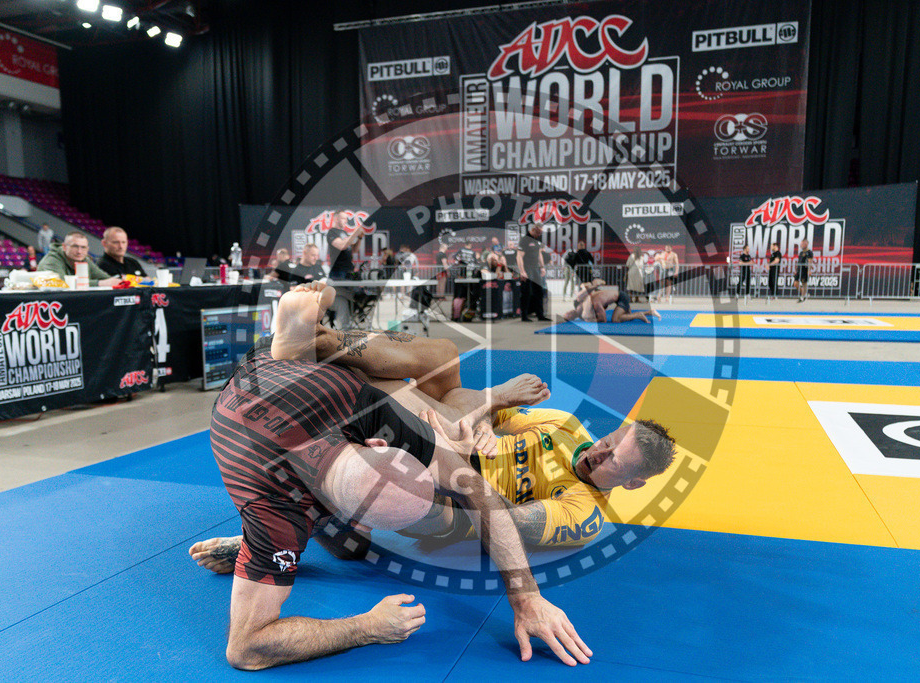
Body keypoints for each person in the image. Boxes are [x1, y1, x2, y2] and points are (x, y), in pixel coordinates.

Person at [198, 284, 590, 670]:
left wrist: (528, 600)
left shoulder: (363, 406)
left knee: (440, 365)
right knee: (352, 544)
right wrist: (365, 628)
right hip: (265, 385)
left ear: (378, 445)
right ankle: (310, 342)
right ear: (378, 445)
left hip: (297, 394)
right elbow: (245, 649)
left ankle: (313, 340)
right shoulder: (275, 510)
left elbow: (474, 488)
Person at [192, 300, 676, 557]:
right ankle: (321, 344)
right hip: (448, 433)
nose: (599, 454)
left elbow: (504, 519)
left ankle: (312, 351)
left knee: (361, 538)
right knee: (444, 360)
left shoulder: (585, 514)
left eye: (614, 461)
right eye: (610, 441)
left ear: (633, 483)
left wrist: (460, 458)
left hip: (451, 501)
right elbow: (468, 406)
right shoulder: (568, 428)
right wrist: (487, 416)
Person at [36, 231, 121, 287]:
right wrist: (99, 283)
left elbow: (105, 278)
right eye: (75, 246)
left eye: (83, 247)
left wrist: (121, 281)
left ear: (87, 249)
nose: (79, 251)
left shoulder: (84, 259)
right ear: (64, 247)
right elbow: (61, 284)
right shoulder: (52, 260)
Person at [563, 279, 661, 324]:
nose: (569, 312)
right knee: (625, 317)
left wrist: (594, 320)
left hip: (622, 297)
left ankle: (639, 315)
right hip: (620, 297)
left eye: (567, 312)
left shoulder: (584, 302)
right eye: (569, 315)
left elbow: (604, 319)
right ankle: (650, 312)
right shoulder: (588, 308)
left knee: (616, 319)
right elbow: (603, 318)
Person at [517, 222, 550, 322]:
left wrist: (542, 267)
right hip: (527, 269)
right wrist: (522, 271)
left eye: (541, 233)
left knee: (539, 292)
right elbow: (519, 256)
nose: (540, 235)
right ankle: (524, 316)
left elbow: (539, 254)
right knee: (526, 293)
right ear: (534, 230)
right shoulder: (524, 240)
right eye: (539, 232)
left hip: (536, 269)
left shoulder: (537, 239)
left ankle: (540, 315)